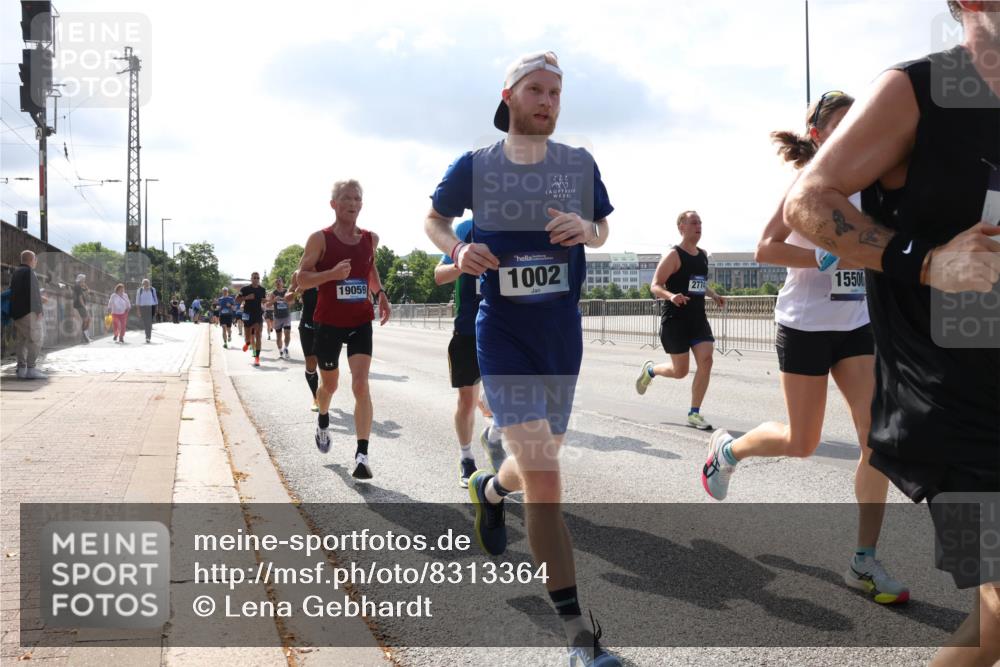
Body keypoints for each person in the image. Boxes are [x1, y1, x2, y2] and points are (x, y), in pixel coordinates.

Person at [784, 3, 1000, 663]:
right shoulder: (918, 91)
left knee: (993, 631)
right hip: (947, 415)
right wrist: (928, 261)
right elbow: (807, 202)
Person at [425, 51, 620, 666]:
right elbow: (434, 218)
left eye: (556, 93)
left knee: (532, 467)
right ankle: (577, 636)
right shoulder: (477, 166)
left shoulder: (578, 163)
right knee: (546, 476)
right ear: (508, 96)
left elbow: (603, 229)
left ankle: (489, 488)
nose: (548, 101)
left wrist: (586, 230)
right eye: (536, 90)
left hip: (561, 332)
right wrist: (458, 248)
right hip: (502, 331)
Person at [700, 91, 908, 605]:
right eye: (838, 124)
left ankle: (863, 560)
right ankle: (727, 451)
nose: (850, 132)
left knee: (875, 443)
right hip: (805, 325)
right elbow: (765, 247)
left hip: (856, 326)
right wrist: (822, 259)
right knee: (802, 441)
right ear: (816, 134)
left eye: (856, 122)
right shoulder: (808, 183)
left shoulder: (876, 184)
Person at [296, 179, 391, 478]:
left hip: (360, 320)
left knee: (361, 384)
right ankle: (323, 417)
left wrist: (381, 294)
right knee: (331, 386)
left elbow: (369, 269)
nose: (353, 203)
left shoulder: (370, 238)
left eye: (357, 198)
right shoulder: (319, 239)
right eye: (346, 198)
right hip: (328, 322)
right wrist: (331, 274)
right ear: (334, 204)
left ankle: (362, 455)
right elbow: (301, 279)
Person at [634, 211, 724, 431]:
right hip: (675, 320)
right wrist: (671, 296)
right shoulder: (674, 255)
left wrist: (712, 294)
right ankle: (650, 371)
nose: (698, 225)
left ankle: (694, 413)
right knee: (680, 371)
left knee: (707, 360)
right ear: (681, 227)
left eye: (700, 222)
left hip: (697, 318)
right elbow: (655, 285)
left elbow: (697, 284)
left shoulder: (702, 255)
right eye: (694, 222)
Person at [433, 219, 487, 488]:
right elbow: (439, 275)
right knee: (467, 401)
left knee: (514, 399)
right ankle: (466, 457)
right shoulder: (466, 230)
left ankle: (496, 435)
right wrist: (460, 264)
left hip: (509, 329)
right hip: (468, 330)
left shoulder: (520, 227)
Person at [9, 250, 47, 379]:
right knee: (36, 339)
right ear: (32, 259)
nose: (36, 262)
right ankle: (31, 369)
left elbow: (20, 292)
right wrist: (38, 310)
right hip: (28, 312)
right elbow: (33, 292)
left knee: (22, 341)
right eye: (36, 260)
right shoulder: (29, 272)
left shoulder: (17, 272)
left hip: (17, 312)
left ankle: (21, 369)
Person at [287, 271, 320, 411]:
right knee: (311, 364)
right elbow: (288, 299)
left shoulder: (329, 267)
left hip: (328, 323)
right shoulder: (299, 274)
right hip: (308, 323)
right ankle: (316, 397)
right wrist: (297, 291)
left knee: (327, 364)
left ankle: (325, 389)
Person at [237, 273, 267, 367]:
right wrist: (246, 297)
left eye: (258, 278)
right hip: (247, 314)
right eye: (255, 277)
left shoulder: (262, 289)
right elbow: (237, 300)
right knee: (247, 336)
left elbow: (263, 300)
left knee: (258, 335)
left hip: (258, 314)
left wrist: (265, 301)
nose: (256, 279)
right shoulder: (245, 289)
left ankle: (257, 358)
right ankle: (247, 343)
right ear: (251, 279)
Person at [269, 276, 293, 359]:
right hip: (277, 317)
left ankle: (286, 348)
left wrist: (288, 301)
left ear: (283, 283)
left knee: (287, 333)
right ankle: (280, 350)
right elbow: (268, 305)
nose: (278, 283)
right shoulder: (273, 293)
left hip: (286, 316)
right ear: (275, 284)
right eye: (277, 282)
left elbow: (292, 302)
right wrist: (274, 300)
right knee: (278, 336)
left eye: (280, 281)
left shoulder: (287, 291)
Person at [135, 278, 158, 344]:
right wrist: (138, 310)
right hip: (143, 308)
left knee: (149, 323)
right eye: (145, 283)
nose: (146, 284)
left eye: (147, 283)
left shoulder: (152, 289)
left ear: (149, 283)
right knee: (145, 323)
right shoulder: (140, 290)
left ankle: (148, 337)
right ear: (143, 284)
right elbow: (137, 301)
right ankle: (147, 336)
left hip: (151, 307)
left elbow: (156, 299)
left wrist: (156, 309)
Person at [72, 274, 91, 344]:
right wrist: (84, 306)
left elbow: (88, 291)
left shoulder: (80, 286)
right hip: (80, 305)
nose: (84, 281)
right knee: (87, 319)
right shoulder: (77, 286)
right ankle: (84, 334)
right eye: (84, 280)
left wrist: (85, 286)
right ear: (81, 280)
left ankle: (85, 334)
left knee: (87, 320)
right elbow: (80, 298)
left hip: (80, 305)